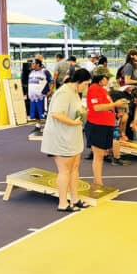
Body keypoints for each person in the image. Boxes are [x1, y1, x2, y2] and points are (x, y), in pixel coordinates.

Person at [40, 69, 92, 212]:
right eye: (86, 84)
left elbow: (74, 110)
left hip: (72, 137)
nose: (86, 87)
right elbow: (56, 114)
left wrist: (82, 110)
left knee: (74, 168)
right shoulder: (63, 93)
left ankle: (75, 199)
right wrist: (73, 123)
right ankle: (63, 203)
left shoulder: (75, 92)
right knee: (64, 171)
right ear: (78, 81)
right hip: (61, 137)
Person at [85, 74, 129, 186]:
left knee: (101, 155)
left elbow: (106, 106)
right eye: (106, 78)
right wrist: (115, 104)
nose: (108, 80)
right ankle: (98, 183)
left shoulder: (103, 90)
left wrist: (116, 111)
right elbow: (97, 107)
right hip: (97, 125)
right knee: (98, 155)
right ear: (100, 79)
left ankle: (98, 182)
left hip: (105, 125)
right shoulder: (94, 89)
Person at [28, 59, 53, 136]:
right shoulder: (31, 72)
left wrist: (50, 90)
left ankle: (49, 128)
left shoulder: (45, 72)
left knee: (44, 113)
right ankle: (38, 127)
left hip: (42, 97)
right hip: (33, 97)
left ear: (38, 64)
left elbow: (51, 81)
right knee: (35, 114)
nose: (32, 65)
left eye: (33, 64)